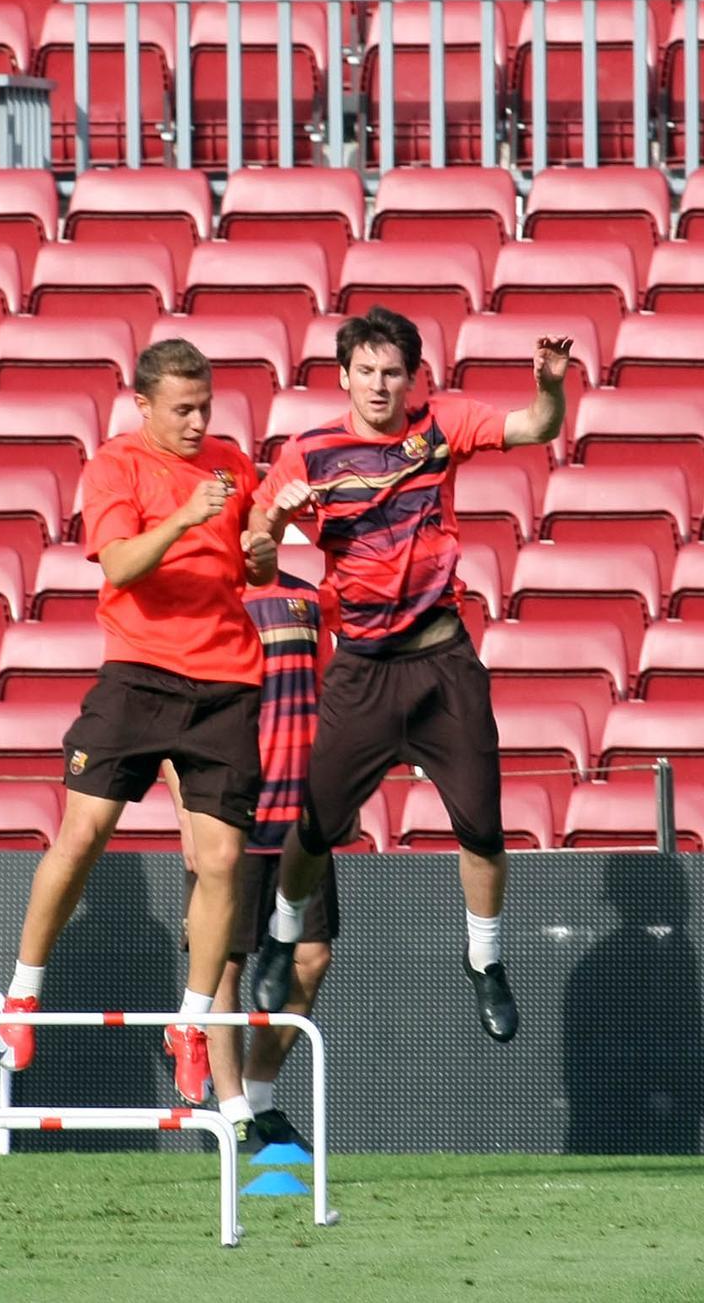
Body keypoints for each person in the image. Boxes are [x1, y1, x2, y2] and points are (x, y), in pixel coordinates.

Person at [250, 307, 572, 1045]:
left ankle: (485, 959)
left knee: (483, 826)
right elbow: (253, 558)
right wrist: (274, 524)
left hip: (441, 657)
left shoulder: (439, 423)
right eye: (366, 371)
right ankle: (281, 933)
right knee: (315, 823)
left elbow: (536, 427)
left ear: (413, 377)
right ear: (343, 376)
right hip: (361, 665)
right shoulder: (307, 453)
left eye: (392, 371)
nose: (379, 385)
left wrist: (550, 386)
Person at [0, 338, 278, 1104]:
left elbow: (257, 567)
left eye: (205, 407)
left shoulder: (232, 463)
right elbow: (119, 565)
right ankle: (23, 992)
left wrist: (261, 546)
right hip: (139, 673)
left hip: (225, 680)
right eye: (182, 409)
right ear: (144, 404)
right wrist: (187, 515)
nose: (197, 422)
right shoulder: (115, 465)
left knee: (223, 863)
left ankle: (188, 1022)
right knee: (82, 835)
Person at [170, 566, 337, 1153]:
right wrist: (186, 814)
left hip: (300, 816)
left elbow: (330, 697)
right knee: (225, 966)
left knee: (311, 958)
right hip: (227, 810)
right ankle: (235, 1108)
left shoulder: (307, 598)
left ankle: (261, 1096)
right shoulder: (202, 594)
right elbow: (173, 715)